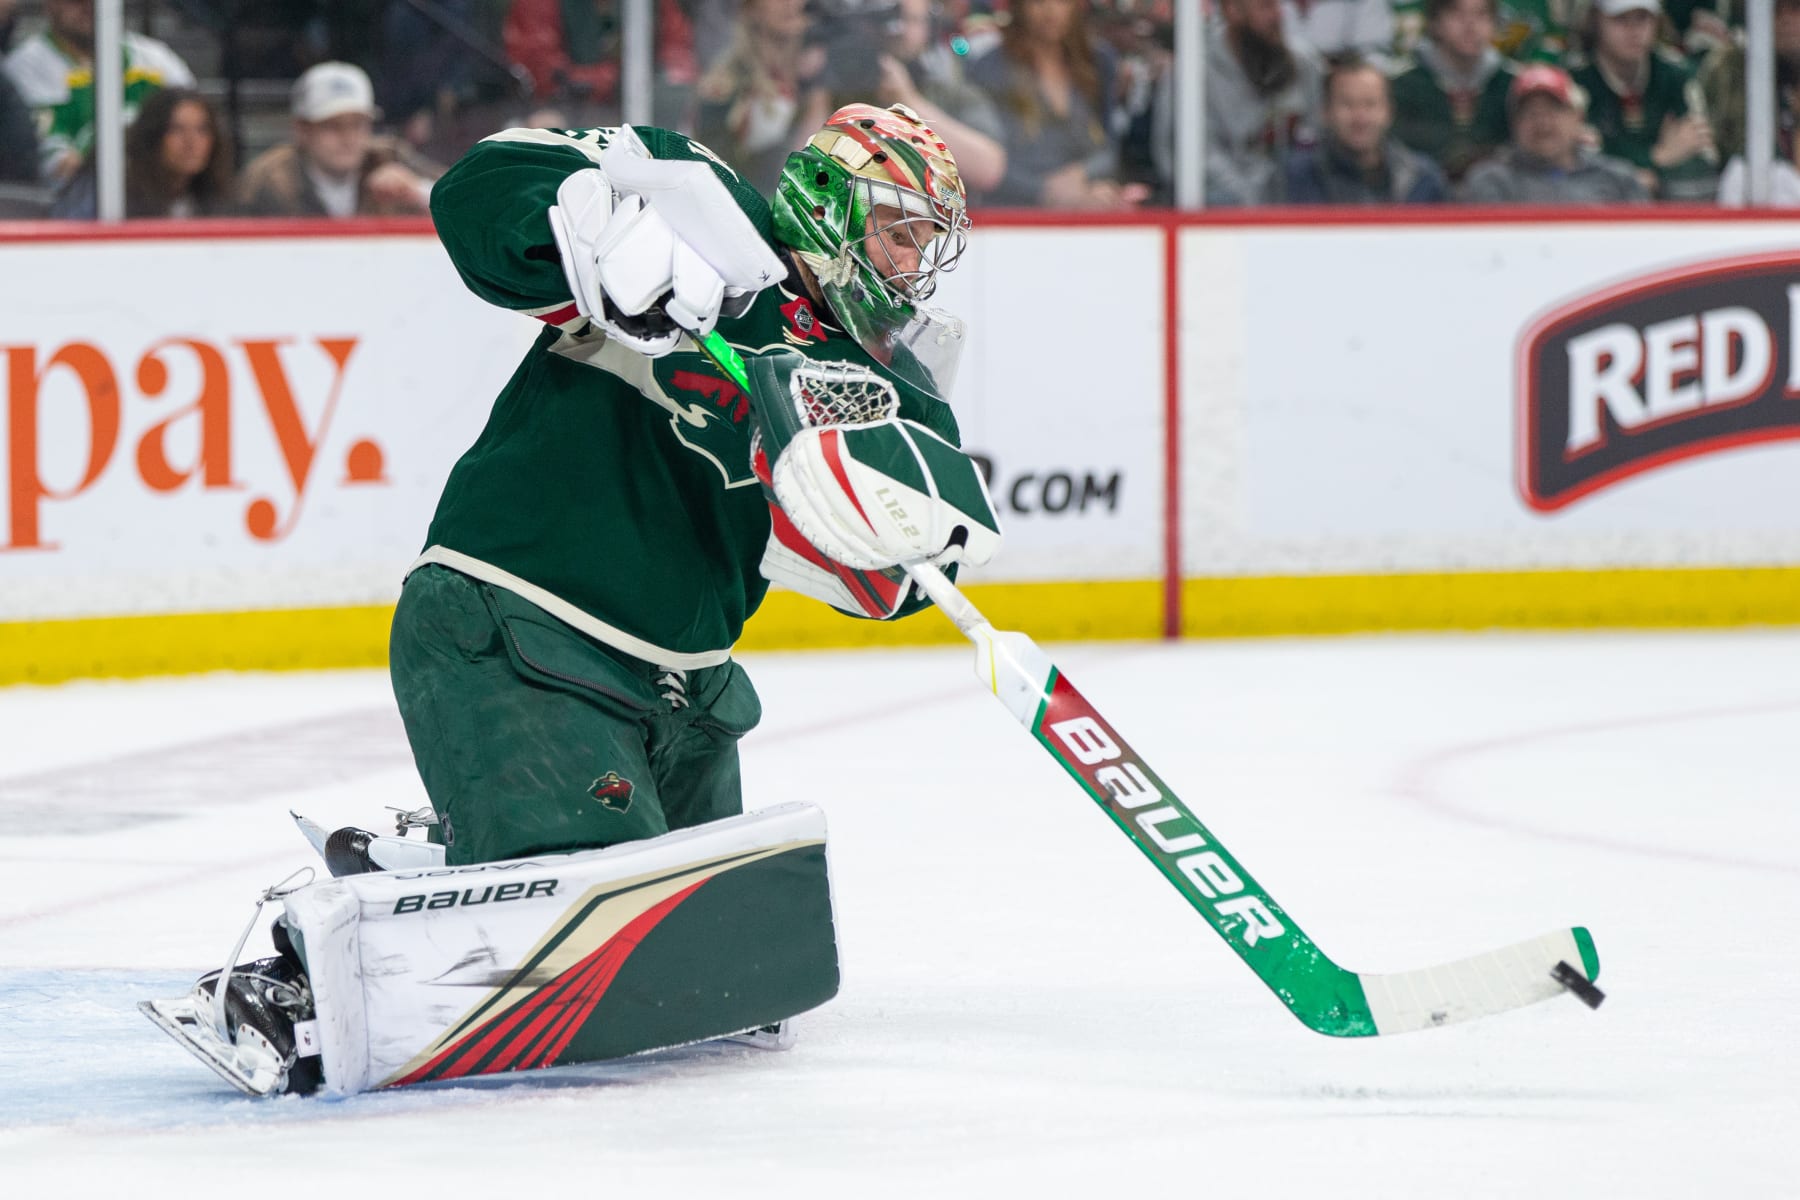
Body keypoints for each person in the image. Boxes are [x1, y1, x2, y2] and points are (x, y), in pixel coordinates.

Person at [144, 102, 1003, 1097]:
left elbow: (882, 586)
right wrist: (580, 218)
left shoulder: (883, 378)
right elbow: (474, 190)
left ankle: (433, 860)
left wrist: (889, 531)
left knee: (708, 974)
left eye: (927, 239)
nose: (912, 259)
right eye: (899, 228)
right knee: (594, 942)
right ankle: (296, 984)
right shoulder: (693, 203)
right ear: (829, 207)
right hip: (517, 632)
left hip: (683, 703)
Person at [967, 0, 1146, 207]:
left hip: (1085, 205)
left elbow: (1108, 145)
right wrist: (1046, 192)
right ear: (1020, 7)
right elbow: (985, 160)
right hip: (1013, 214)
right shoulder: (990, 69)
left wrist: (1082, 178)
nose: (1051, 10)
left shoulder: (1097, 62)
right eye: (1039, 2)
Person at [2, 0, 194, 184]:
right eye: (76, 0)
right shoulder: (23, 67)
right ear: (50, 4)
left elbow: (197, 125)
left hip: (164, 198)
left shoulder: (158, 58)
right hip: (71, 207)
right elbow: (55, 162)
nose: (89, 7)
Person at [236, 61, 438, 219]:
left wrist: (417, 191)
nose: (348, 138)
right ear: (301, 129)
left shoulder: (390, 157)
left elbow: (463, 200)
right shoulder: (268, 178)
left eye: (358, 124)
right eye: (332, 125)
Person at [1569, 0, 1716, 200]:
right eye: (1620, 19)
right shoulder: (1577, 80)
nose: (1634, 31)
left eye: (1642, 18)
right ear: (1595, 21)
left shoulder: (1676, 75)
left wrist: (1645, 168)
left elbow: (1699, 149)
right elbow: (1581, 160)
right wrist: (1659, 156)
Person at [695, 0, 831, 194]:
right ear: (751, 8)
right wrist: (814, 105)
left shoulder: (824, 69)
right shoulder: (725, 85)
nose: (791, 5)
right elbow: (714, 173)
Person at [1463, 63, 1650, 200]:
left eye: (1553, 111)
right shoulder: (1493, 182)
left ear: (1578, 117)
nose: (1543, 123)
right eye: (1530, 113)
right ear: (1514, 123)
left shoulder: (1618, 179)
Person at [876, 0, 1008, 194]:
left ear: (930, 26)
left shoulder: (951, 93)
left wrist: (908, 100)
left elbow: (989, 169)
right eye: (889, 19)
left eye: (911, 20)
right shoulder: (838, 82)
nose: (899, 30)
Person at [1202, 0, 1323, 205]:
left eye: (1279, 5)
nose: (1279, 16)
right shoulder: (1194, 73)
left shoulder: (1304, 62)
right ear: (1233, 10)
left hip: (1296, 204)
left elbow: (1320, 136)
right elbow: (1198, 159)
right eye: (1266, 6)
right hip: (1223, 214)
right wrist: (1253, 204)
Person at [1285, 56, 1449, 203]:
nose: (1360, 118)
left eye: (1370, 104)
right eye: (1348, 104)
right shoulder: (1296, 178)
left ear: (1389, 111)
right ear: (1325, 112)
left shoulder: (1422, 179)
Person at [50, 86, 233, 218]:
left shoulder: (214, 201)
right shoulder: (109, 192)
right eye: (176, 129)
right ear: (152, 137)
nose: (191, 142)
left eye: (202, 130)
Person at [1390, 0, 1517, 184]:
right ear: (1435, 22)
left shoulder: (1513, 85)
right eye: (1457, 14)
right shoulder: (1402, 85)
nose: (1470, 24)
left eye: (1481, 14)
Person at [1701, 0, 1800, 204]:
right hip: (1756, 194)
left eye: (1796, 8)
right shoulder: (1731, 69)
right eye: (1776, 10)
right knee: (1742, 175)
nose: (1787, 19)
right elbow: (1729, 147)